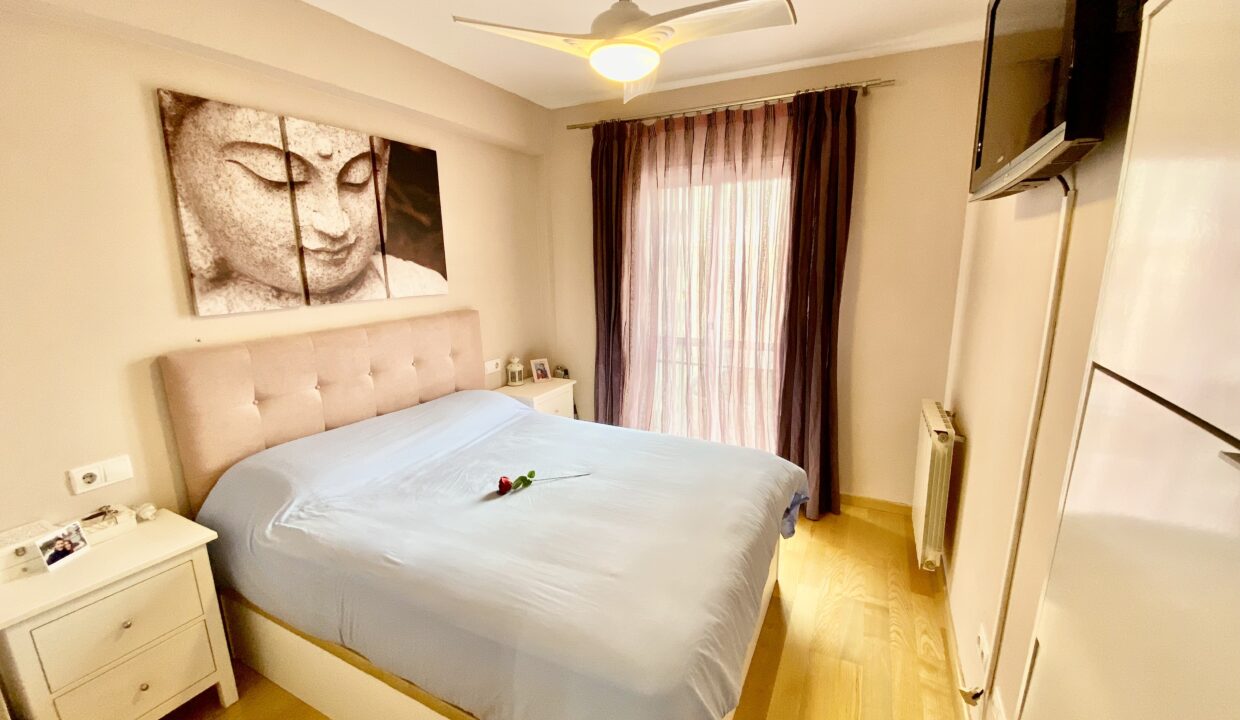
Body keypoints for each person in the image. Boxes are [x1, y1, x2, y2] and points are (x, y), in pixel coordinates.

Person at [159, 91, 446, 315]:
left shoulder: (422, 286)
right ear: (182, 181)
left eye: (356, 179)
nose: (336, 224)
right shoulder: (205, 314)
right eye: (281, 179)